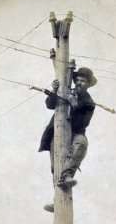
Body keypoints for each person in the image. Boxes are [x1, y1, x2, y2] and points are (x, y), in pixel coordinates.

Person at [38, 67, 97, 212]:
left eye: (82, 81)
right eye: (77, 80)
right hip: (57, 133)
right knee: (55, 167)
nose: (78, 83)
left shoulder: (88, 102)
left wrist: (73, 103)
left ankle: (67, 177)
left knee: (81, 144)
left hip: (75, 132)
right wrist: (55, 90)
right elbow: (50, 104)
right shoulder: (66, 91)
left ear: (88, 84)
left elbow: (84, 122)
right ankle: (57, 199)